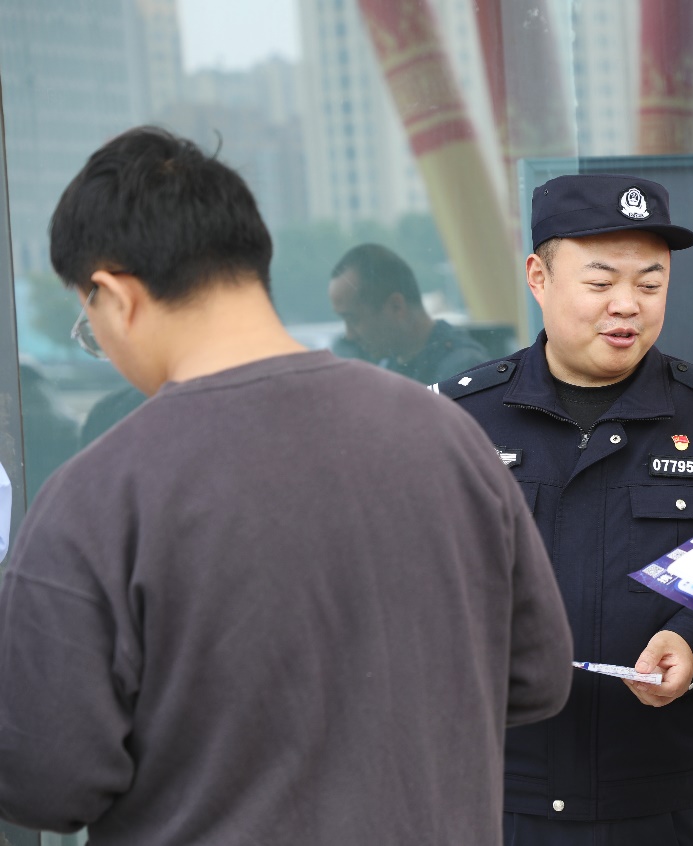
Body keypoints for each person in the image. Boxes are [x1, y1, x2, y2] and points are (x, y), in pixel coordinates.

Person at [0, 127, 573, 845]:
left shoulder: (98, 496)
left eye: (89, 322)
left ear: (115, 295)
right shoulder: (448, 437)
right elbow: (538, 677)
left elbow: (45, 781)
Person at [436, 173, 693, 845]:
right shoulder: (461, 420)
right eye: (599, 282)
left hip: (665, 805)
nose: (626, 306)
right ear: (538, 277)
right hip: (499, 801)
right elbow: (399, 580)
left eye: (649, 284)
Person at [328, 242, 488, 384]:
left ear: (396, 306)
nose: (349, 335)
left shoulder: (462, 371)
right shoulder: (391, 365)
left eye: (353, 319)